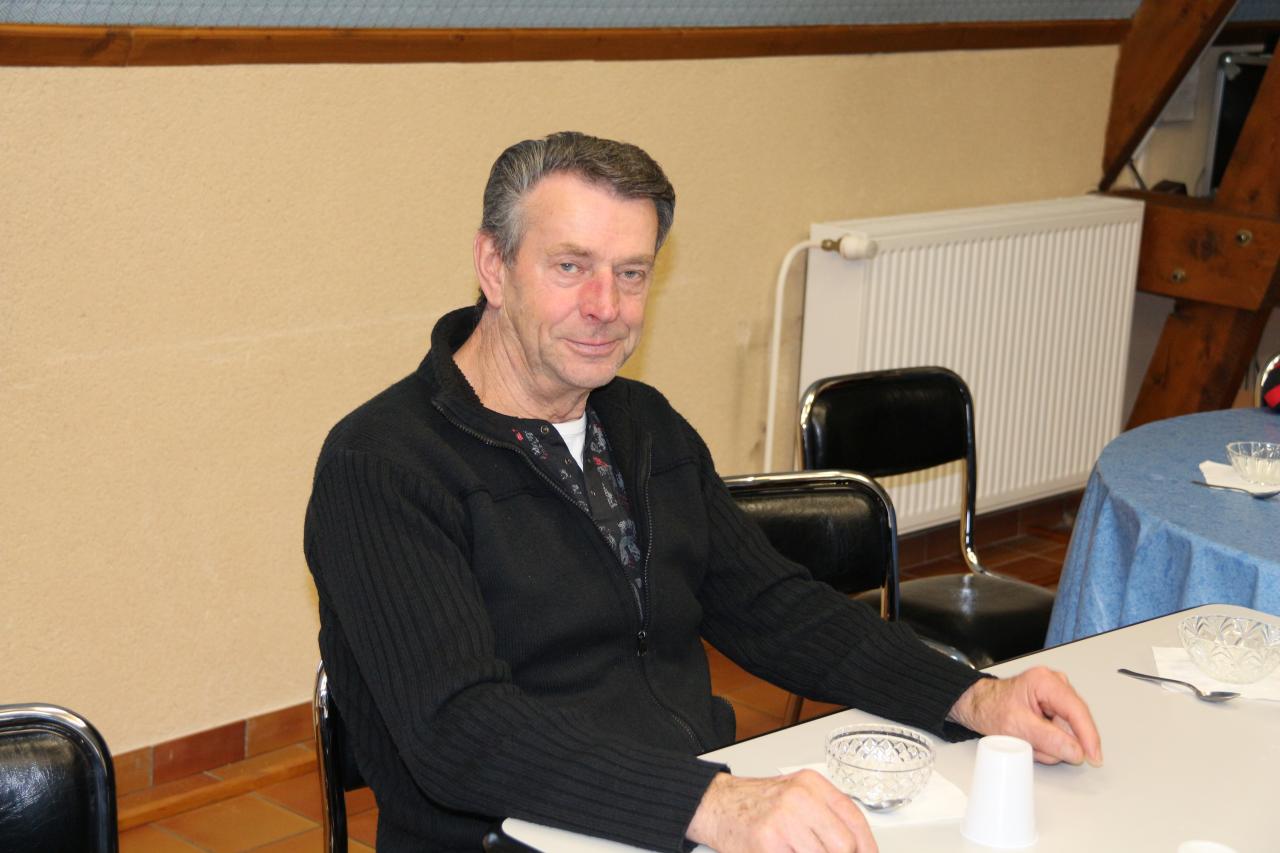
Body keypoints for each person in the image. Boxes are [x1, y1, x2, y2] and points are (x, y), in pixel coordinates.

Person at [303, 131, 1102, 853]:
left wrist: (971, 695)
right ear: (493, 266)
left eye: (631, 273)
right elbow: (458, 730)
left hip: (679, 809)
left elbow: (774, 606)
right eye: (570, 267)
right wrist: (710, 802)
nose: (605, 307)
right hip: (511, 833)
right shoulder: (381, 465)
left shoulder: (644, 426)